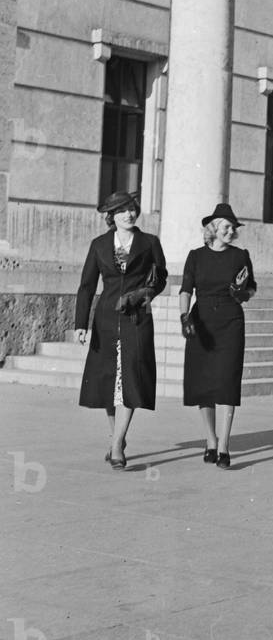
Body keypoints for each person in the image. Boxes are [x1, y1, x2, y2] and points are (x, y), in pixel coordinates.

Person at [74, 190, 168, 469]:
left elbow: (160, 278)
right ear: (111, 216)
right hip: (105, 320)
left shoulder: (149, 242)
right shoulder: (99, 245)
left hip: (137, 318)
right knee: (107, 382)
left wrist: (144, 294)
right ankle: (118, 434)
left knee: (131, 379)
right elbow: (87, 285)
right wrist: (80, 323)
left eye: (132, 209)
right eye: (122, 210)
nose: (129, 214)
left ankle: (117, 445)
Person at [179, 203, 256, 469]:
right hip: (201, 322)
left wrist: (242, 293)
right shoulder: (196, 256)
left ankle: (223, 445)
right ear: (213, 228)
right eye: (226, 226)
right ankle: (210, 440)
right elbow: (186, 289)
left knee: (227, 381)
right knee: (204, 384)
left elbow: (251, 288)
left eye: (233, 227)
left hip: (231, 321)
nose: (231, 230)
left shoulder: (240, 256)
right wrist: (184, 316)